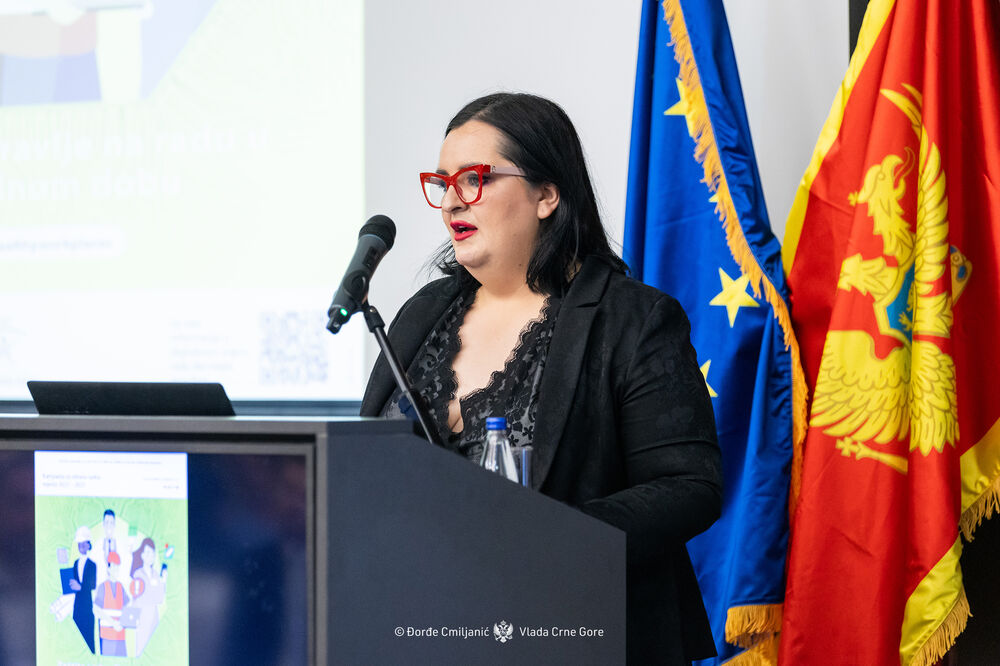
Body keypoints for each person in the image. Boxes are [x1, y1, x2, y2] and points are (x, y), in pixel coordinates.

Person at [360, 92, 722, 664]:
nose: (451, 201)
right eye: (443, 182)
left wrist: (547, 536)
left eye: (474, 179)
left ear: (547, 195)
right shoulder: (421, 314)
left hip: (575, 632)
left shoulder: (632, 319)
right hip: (421, 629)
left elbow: (689, 487)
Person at [129, 537, 166, 656]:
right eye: (148, 553)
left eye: (152, 553)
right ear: (142, 555)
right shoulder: (138, 574)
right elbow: (138, 597)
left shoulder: (156, 575)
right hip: (142, 617)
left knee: (154, 651)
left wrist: (163, 582)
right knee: (141, 649)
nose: (151, 556)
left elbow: (160, 598)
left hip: (154, 617)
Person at [93, 551, 130, 656]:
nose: (116, 570)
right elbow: (96, 609)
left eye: (117, 567)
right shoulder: (102, 587)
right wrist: (113, 623)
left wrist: (123, 622)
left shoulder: (121, 587)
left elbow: (127, 607)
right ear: (108, 569)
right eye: (113, 567)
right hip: (107, 636)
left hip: (120, 635)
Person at [69, 525, 97, 653]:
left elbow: (93, 584)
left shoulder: (92, 565)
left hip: (87, 606)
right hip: (77, 606)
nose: (81, 546)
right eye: (79, 543)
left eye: (83, 543)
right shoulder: (75, 563)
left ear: (88, 544)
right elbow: (72, 584)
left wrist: (80, 587)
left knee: (88, 638)